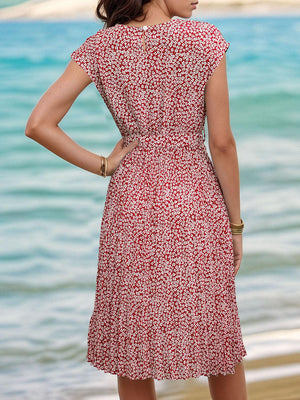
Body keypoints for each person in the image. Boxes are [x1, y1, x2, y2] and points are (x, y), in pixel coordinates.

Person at [25, 0, 248, 399]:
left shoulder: (100, 47)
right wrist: (235, 225)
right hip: (194, 200)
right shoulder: (205, 39)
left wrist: (103, 164)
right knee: (217, 337)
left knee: (133, 341)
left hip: (130, 204)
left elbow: (39, 124)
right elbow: (222, 143)